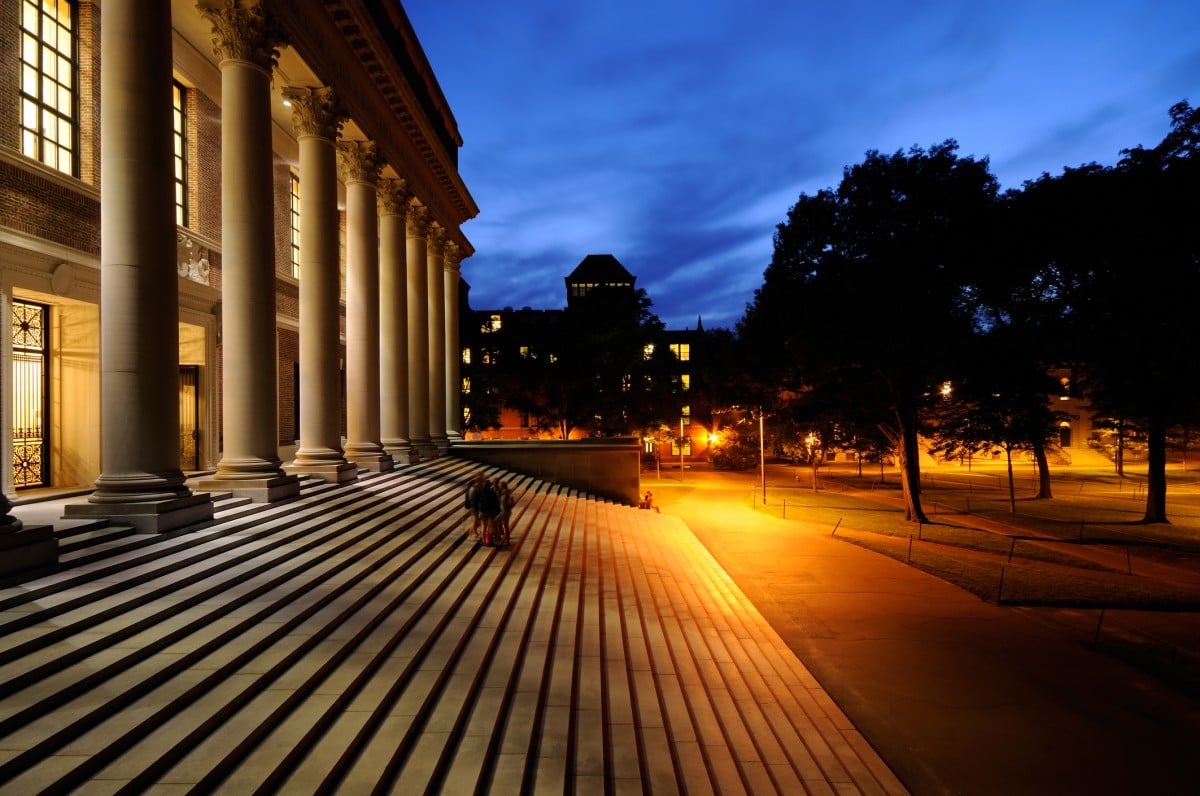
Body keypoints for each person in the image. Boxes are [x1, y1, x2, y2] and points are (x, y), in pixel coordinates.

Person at [476, 477, 501, 545]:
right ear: (490, 485)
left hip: (482, 511)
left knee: (483, 526)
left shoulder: (481, 492)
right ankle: (490, 541)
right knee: (490, 526)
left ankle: (483, 540)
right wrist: (497, 511)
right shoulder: (492, 492)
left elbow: (477, 501)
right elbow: (495, 502)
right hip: (490, 512)